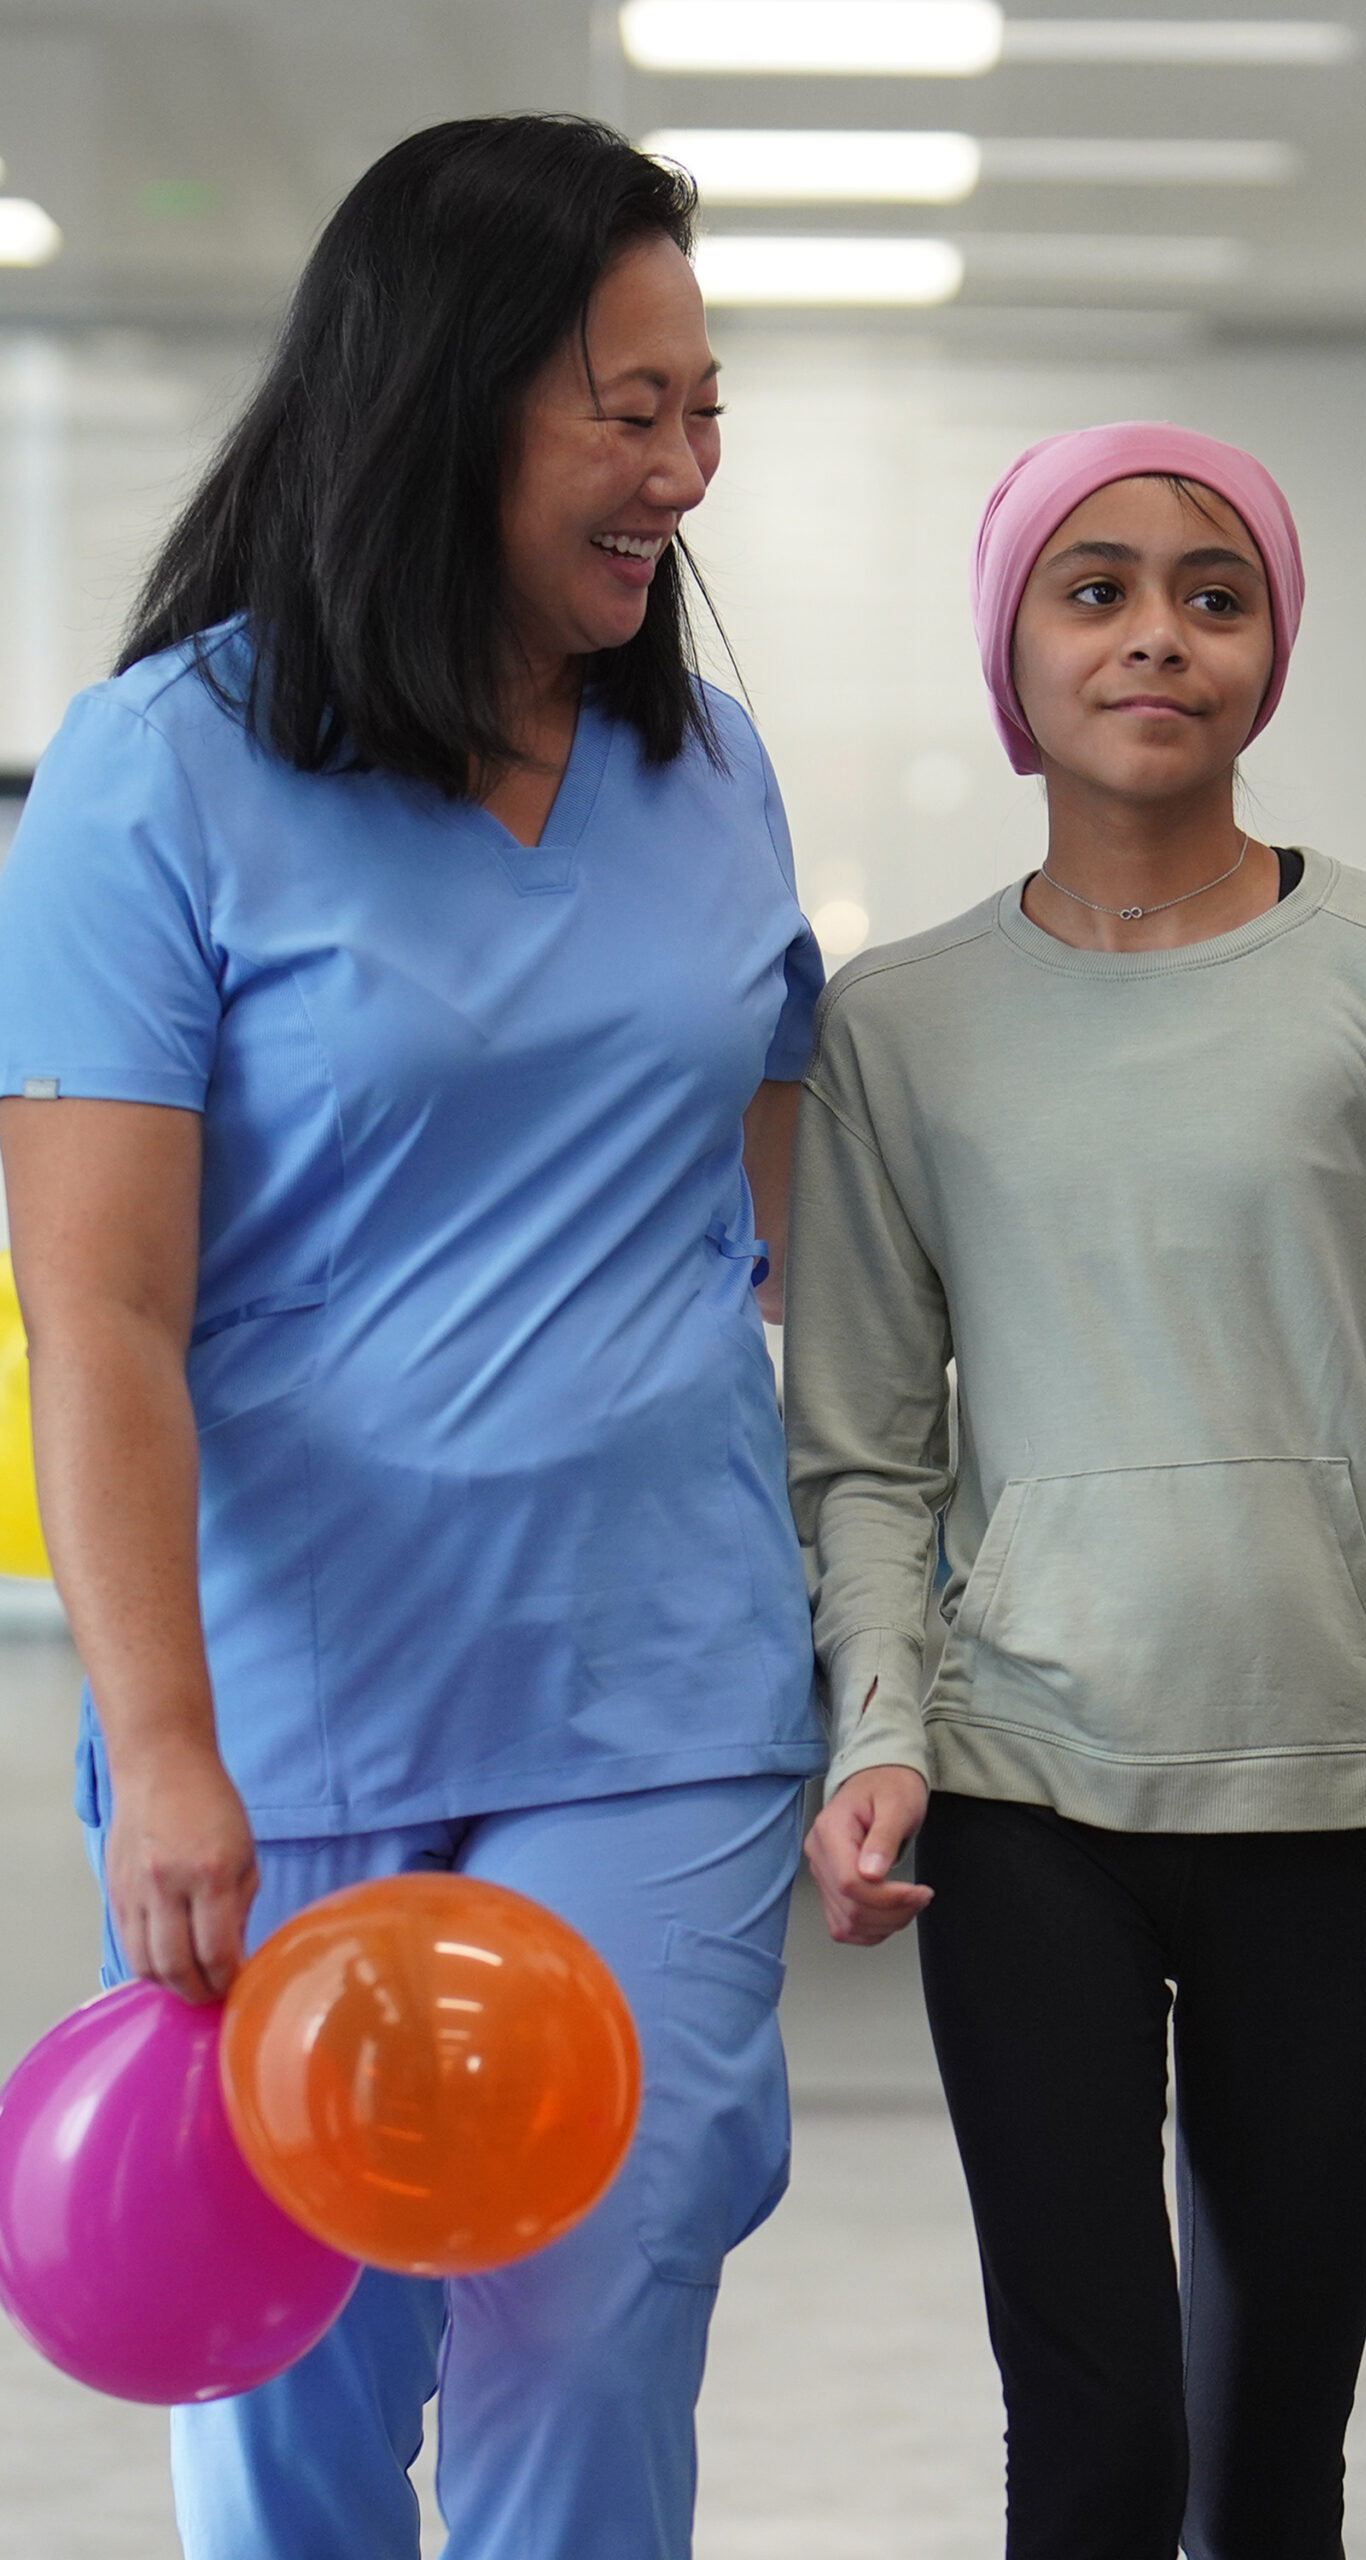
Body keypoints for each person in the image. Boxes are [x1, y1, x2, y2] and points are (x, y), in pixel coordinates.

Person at [0, 116, 824, 2560]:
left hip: (654, 1690)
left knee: (590, 2287)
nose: (683, 468)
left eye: (705, 405)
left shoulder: (703, 767)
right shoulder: (160, 775)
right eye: (627, 408)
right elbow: (101, 1307)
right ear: (446, 398)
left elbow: (809, 1235)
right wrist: (161, 1743)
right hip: (292, 1705)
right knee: (298, 2367)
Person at [786, 421, 1366, 2560]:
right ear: (1013, 659)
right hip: (1017, 1789)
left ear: (1266, 651)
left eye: (1210, 590)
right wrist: (879, 1727)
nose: (1158, 630)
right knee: (1089, 2446)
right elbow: (867, 1439)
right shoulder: (896, 1024)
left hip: (1333, 1782)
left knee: (1268, 2466)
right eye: (1096, 587)